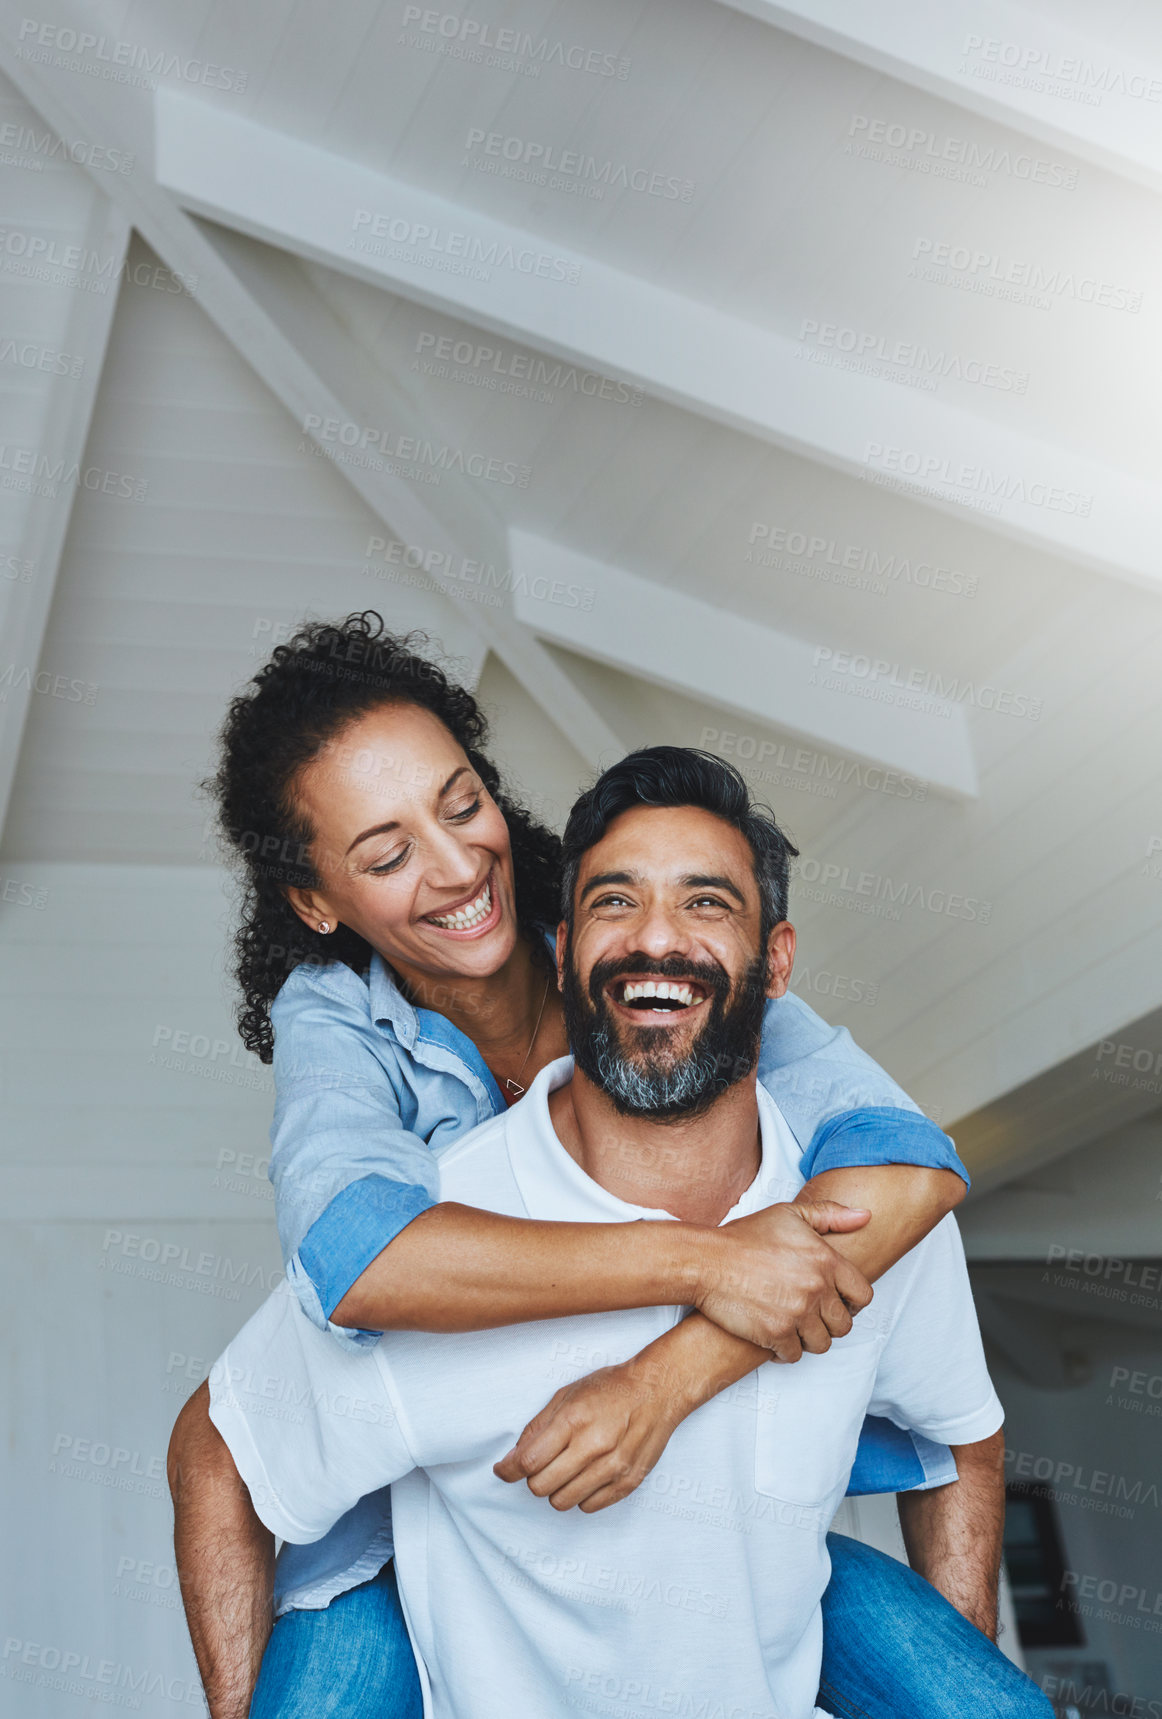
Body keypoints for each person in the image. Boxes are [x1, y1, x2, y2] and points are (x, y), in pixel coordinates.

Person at [168, 613, 999, 1718]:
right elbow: (350, 1257)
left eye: (461, 804)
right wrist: (702, 1265)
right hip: (406, 1543)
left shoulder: (636, 949)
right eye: (386, 852)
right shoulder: (338, 1023)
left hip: (725, 1549)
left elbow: (904, 1157)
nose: (458, 864)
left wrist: (666, 1379)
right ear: (318, 901)